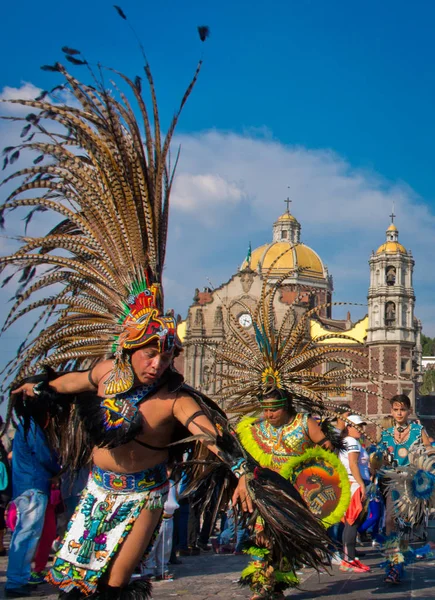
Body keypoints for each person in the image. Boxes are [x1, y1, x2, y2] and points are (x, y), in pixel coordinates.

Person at [1, 36, 333, 600]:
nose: (158, 361)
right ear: (128, 351)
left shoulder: (175, 398)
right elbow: (63, 383)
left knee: (113, 584)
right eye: (149, 352)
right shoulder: (108, 373)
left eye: (166, 352)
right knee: (72, 585)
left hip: (144, 495)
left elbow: (208, 430)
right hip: (96, 491)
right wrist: (34, 388)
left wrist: (242, 470)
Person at [378, 393, 431, 583]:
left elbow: (429, 450)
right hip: (392, 483)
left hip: (411, 483)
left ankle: (398, 565)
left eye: (402, 409)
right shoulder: (385, 434)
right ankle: (394, 564)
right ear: (391, 411)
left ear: (409, 411)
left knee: (405, 525)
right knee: (390, 523)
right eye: (396, 410)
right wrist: (378, 461)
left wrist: (424, 462)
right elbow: (378, 459)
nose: (399, 413)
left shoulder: (418, 430)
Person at [5, 413, 60, 598]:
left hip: (27, 484)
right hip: (33, 483)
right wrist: (59, 467)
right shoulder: (32, 424)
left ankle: (20, 578)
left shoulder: (26, 424)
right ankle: (15, 581)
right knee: (27, 535)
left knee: (27, 535)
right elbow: (43, 454)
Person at [339, 415, 371, 573]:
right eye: (356, 426)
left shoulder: (350, 441)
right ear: (348, 427)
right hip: (354, 484)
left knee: (351, 522)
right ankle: (349, 560)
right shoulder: (351, 442)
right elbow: (352, 464)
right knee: (352, 521)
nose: (360, 429)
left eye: (361, 425)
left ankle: (348, 557)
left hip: (351, 483)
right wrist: (361, 484)